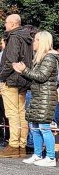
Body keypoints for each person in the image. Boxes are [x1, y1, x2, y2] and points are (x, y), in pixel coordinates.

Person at [13, 31, 58, 167]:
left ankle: (50, 157)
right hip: (38, 96)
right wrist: (22, 71)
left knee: (44, 127)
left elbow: (41, 76)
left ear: (42, 41)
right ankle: (37, 154)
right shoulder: (41, 58)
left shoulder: (49, 58)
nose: (33, 43)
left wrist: (24, 70)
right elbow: (36, 77)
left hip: (46, 97)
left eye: (35, 40)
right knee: (34, 127)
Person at [0, 14, 33, 158]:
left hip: (11, 79)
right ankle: (22, 146)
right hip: (24, 79)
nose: (5, 25)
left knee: (12, 113)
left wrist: (2, 77)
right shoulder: (27, 37)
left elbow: (10, 60)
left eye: (6, 22)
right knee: (21, 113)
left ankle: (13, 145)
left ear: (12, 24)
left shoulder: (14, 37)